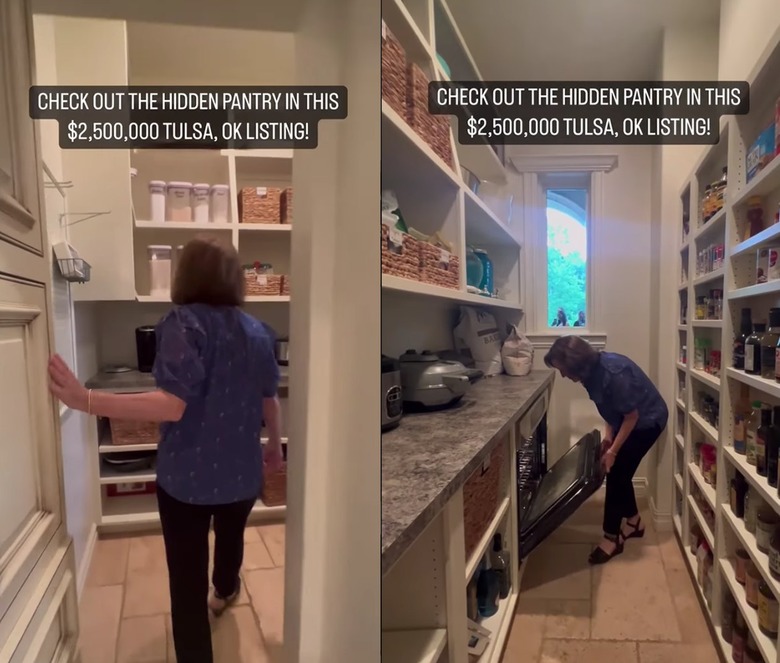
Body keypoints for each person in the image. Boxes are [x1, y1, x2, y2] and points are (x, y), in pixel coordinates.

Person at [48, 236, 284, 663]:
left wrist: (86, 400)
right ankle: (225, 590)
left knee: (186, 579)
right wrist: (274, 446)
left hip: (187, 479)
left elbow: (171, 405)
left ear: (185, 274)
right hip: (242, 472)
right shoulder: (259, 331)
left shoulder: (183, 324)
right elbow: (270, 397)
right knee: (231, 536)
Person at [543, 336, 668, 565]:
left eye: (563, 369)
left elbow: (631, 417)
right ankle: (634, 522)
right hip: (628, 420)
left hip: (648, 421)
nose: (562, 375)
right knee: (620, 472)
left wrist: (613, 452)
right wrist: (609, 437)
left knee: (616, 473)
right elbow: (611, 409)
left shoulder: (614, 373)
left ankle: (612, 537)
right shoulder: (590, 374)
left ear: (576, 363)